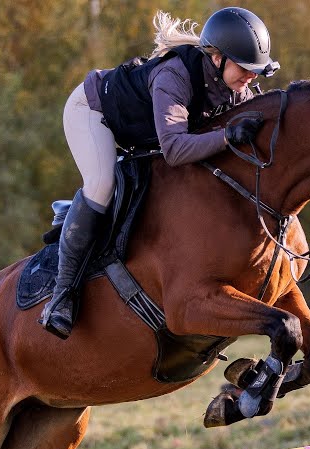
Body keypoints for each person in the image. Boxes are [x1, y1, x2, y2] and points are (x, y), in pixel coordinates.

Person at [40, 8, 279, 338]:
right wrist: (225, 137)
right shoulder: (175, 75)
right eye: (245, 68)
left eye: (257, 72)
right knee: (101, 183)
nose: (251, 78)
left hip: (141, 135)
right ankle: (61, 296)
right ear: (217, 58)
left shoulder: (235, 87)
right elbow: (176, 149)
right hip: (94, 113)